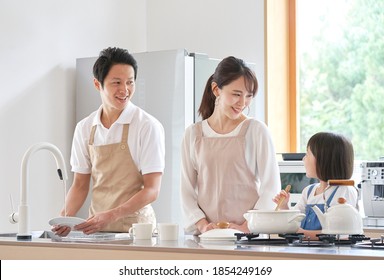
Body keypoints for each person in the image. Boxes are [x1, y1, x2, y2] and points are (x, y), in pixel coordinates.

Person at [53, 47, 165, 235]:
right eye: (116, 83)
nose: (125, 90)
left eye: (130, 82)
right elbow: (80, 185)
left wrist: (112, 215)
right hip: (97, 229)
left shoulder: (147, 126)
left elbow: (152, 189)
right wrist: (65, 216)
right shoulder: (85, 128)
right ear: (98, 84)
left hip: (137, 232)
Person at [180, 56, 281, 235]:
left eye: (248, 96)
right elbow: (186, 190)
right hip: (206, 237)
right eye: (236, 94)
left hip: (248, 237)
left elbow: (271, 188)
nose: (243, 103)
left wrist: (247, 227)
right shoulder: (193, 134)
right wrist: (203, 225)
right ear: (216, 89)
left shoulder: (256, 131)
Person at [273, 132, 358, 239]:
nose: (304, 159)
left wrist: (300, 233)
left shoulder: (344, 190)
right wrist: (284, 207)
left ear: (324, 159)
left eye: (308, 154)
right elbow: (294, 220)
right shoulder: (309, 191)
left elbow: (340, 234)